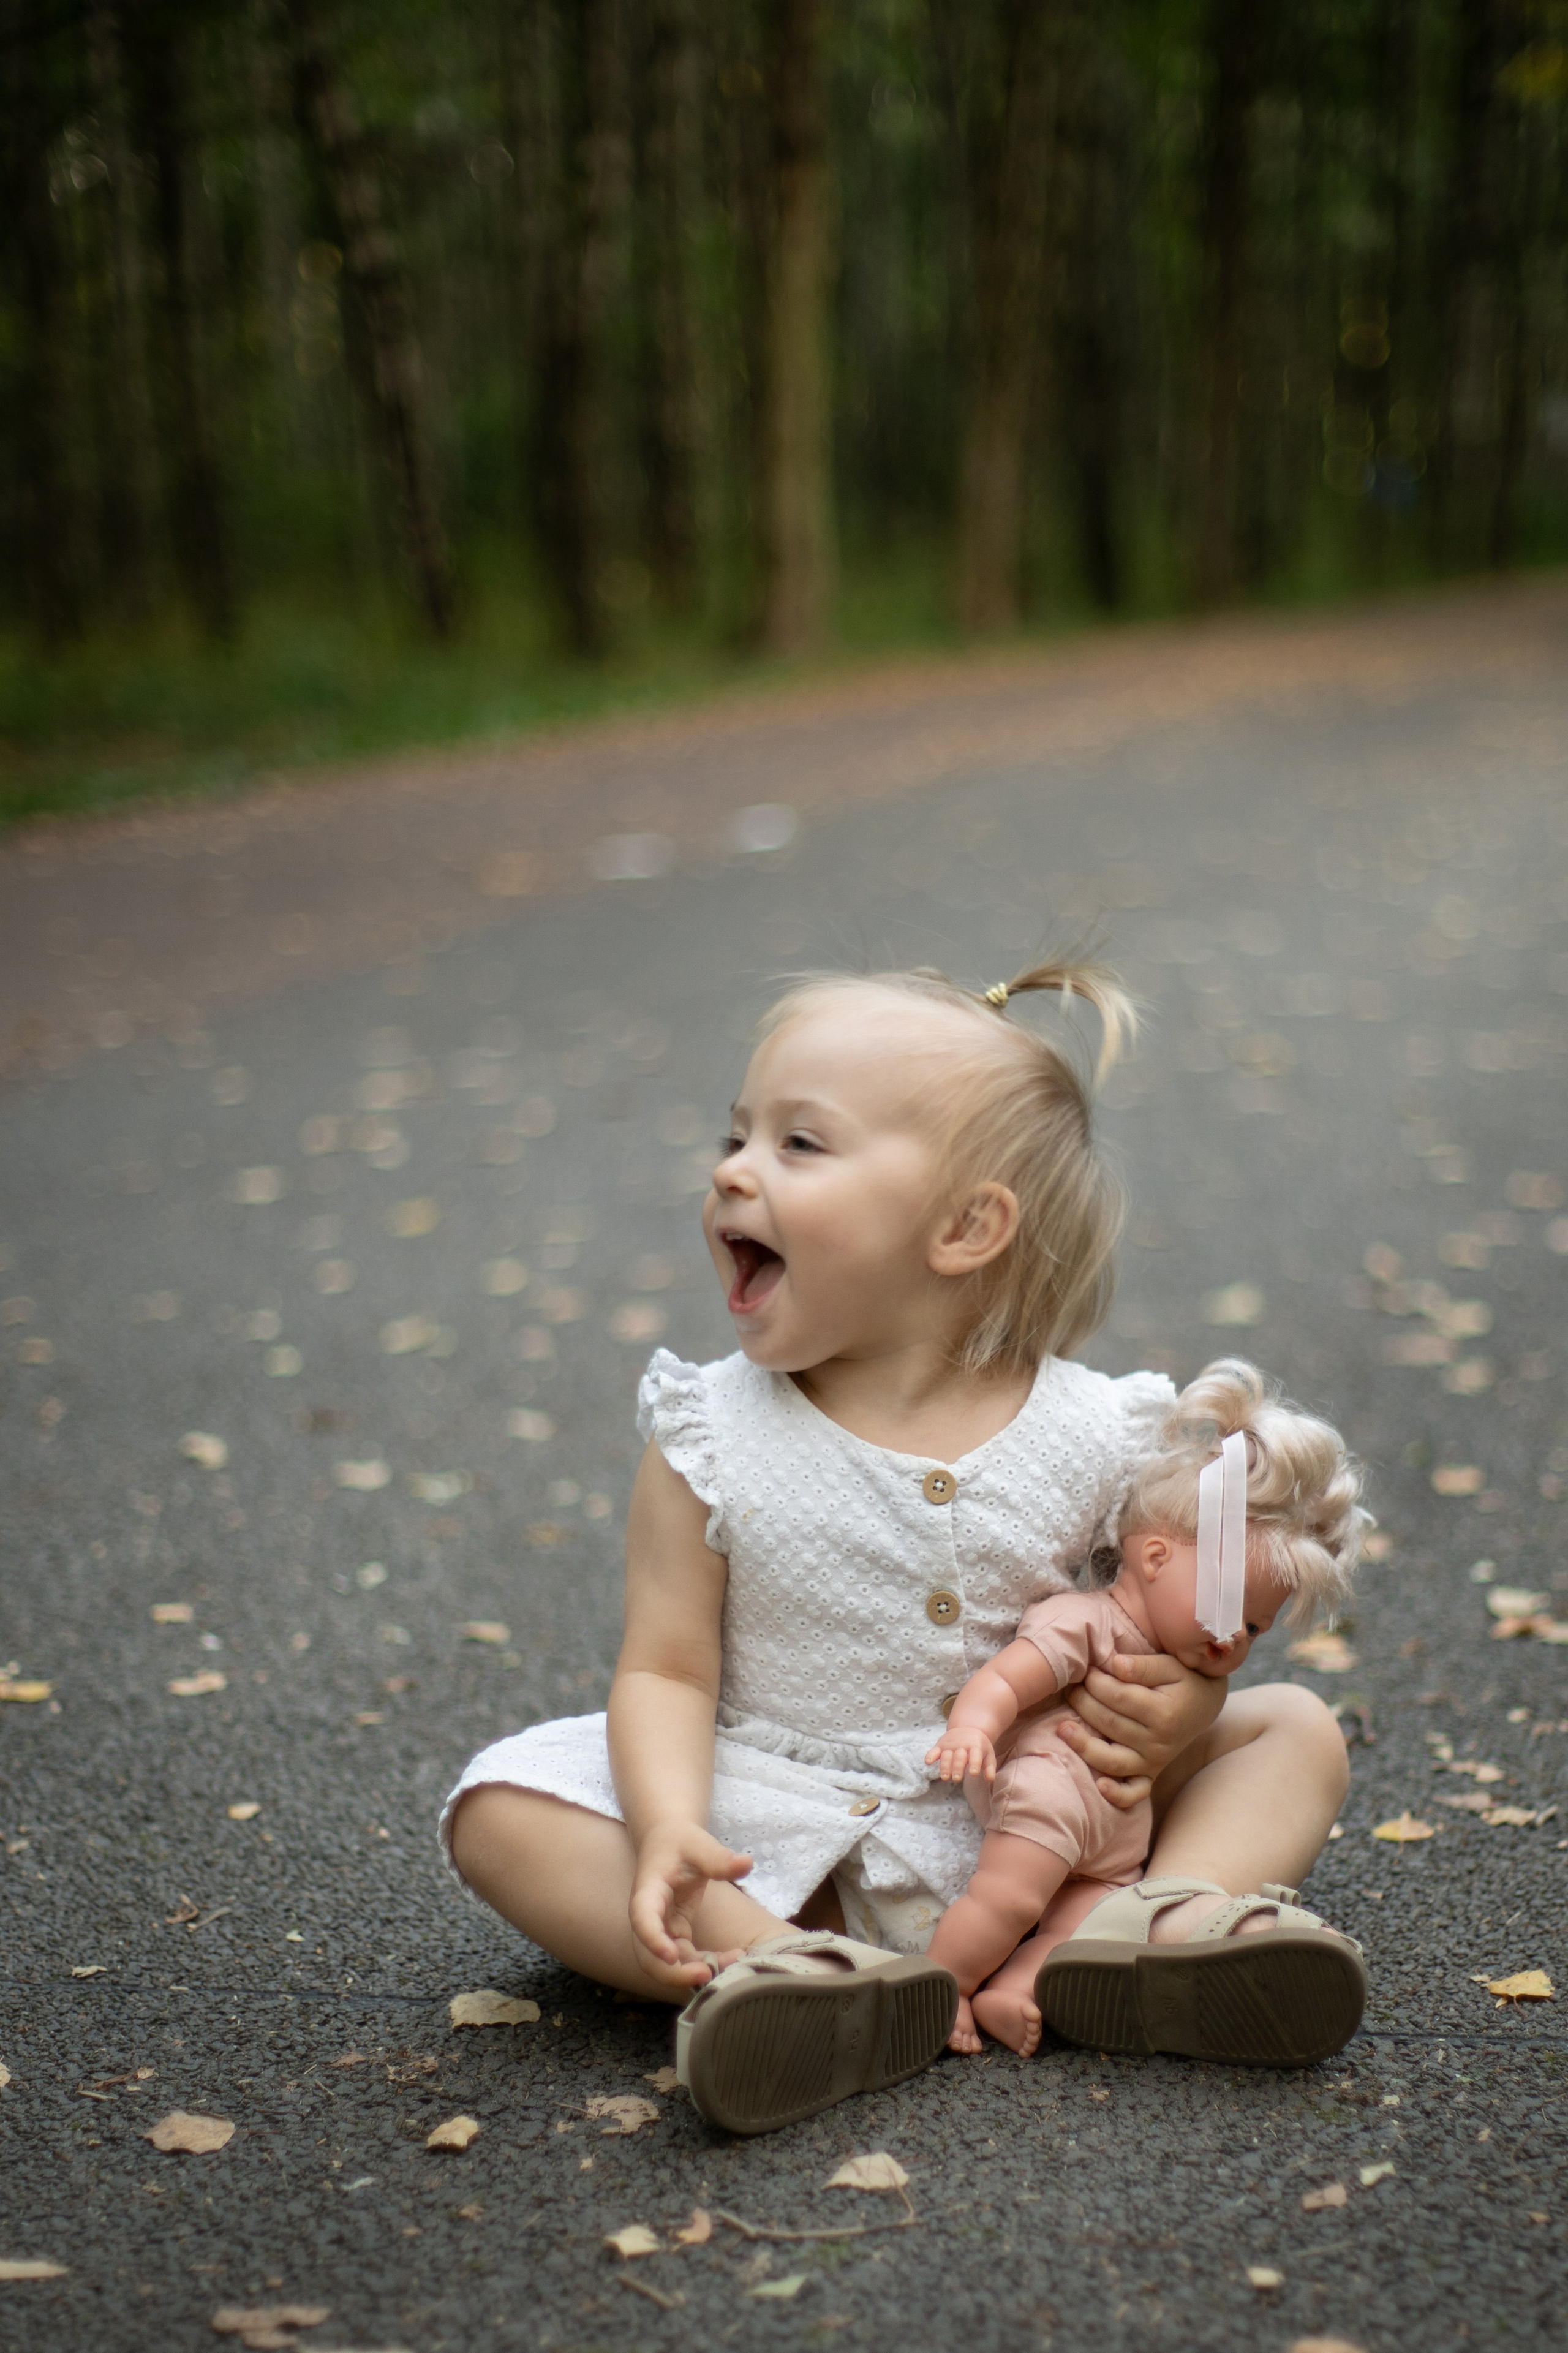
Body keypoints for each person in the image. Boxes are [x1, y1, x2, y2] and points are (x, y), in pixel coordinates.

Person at [443, 959, 1357, 2134]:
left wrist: (1178, 1707)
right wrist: (671, 1821)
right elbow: (665, 1667)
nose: (732, 1169)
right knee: (504, 1808)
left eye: (799, 1145)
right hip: (783, 1829)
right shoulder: (707, 1433)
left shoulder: (1101, 1431)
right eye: (739, 1135)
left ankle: (1157, 1923)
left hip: (1047, 1805)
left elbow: (1175, 1612)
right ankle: (794, 1975)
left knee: (1293, 1729)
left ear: (968, 1226)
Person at [925, 1357, 1368, 2059]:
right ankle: (940, 1984)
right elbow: (1010, 1678)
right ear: (1155, 1557)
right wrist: (972, 1726)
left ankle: (1020, 1987)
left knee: (1079, 1925)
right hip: (1050, 1796)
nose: (1232, 1638)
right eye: (1225, 1607)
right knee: (1008, 1899)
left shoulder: (1187, 1655)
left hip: (1116, 1836)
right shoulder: (1085, 1620)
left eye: (1253, 1629)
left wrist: (1202, 1699)